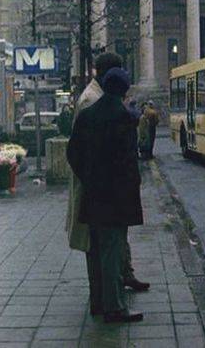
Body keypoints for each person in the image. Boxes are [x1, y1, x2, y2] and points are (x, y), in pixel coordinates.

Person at [66, 53, 150, 315]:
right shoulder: (123, 117)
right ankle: (113, 306)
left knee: (95, 248)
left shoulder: (89, 112)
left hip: (93, 194)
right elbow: (128, 160)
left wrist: (90, 177)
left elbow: (73, 152)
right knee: (110, 249)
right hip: (115, 198)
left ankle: (98, 302)